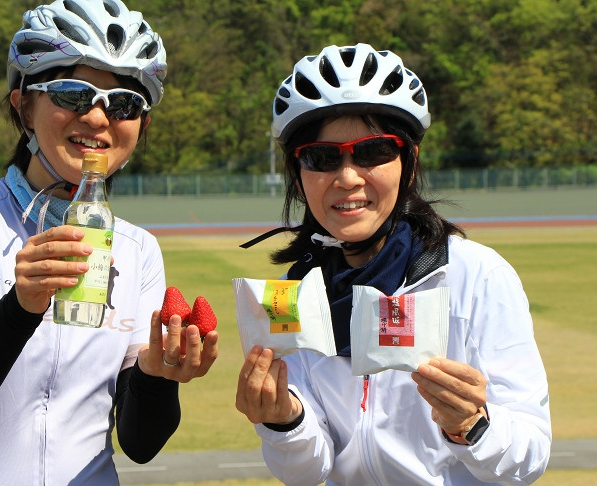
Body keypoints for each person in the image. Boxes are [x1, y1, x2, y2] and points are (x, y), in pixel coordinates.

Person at [0, 1, 218, 484]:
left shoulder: (138, 250)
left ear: (141, 126)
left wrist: (155, 375)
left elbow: (140, 444)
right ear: (22, 104)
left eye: (125, 103)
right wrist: (20, 307)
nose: (97, 117)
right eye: (71, 93)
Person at [235, 43, 551, 485]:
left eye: (372, 151)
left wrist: (474, 427)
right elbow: (307, 471)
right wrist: (285, 422)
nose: (347, 177)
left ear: (409, 161)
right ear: (298, 170)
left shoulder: (476, 276)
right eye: (322, 157)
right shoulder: (298, 291)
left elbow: (530, 456)